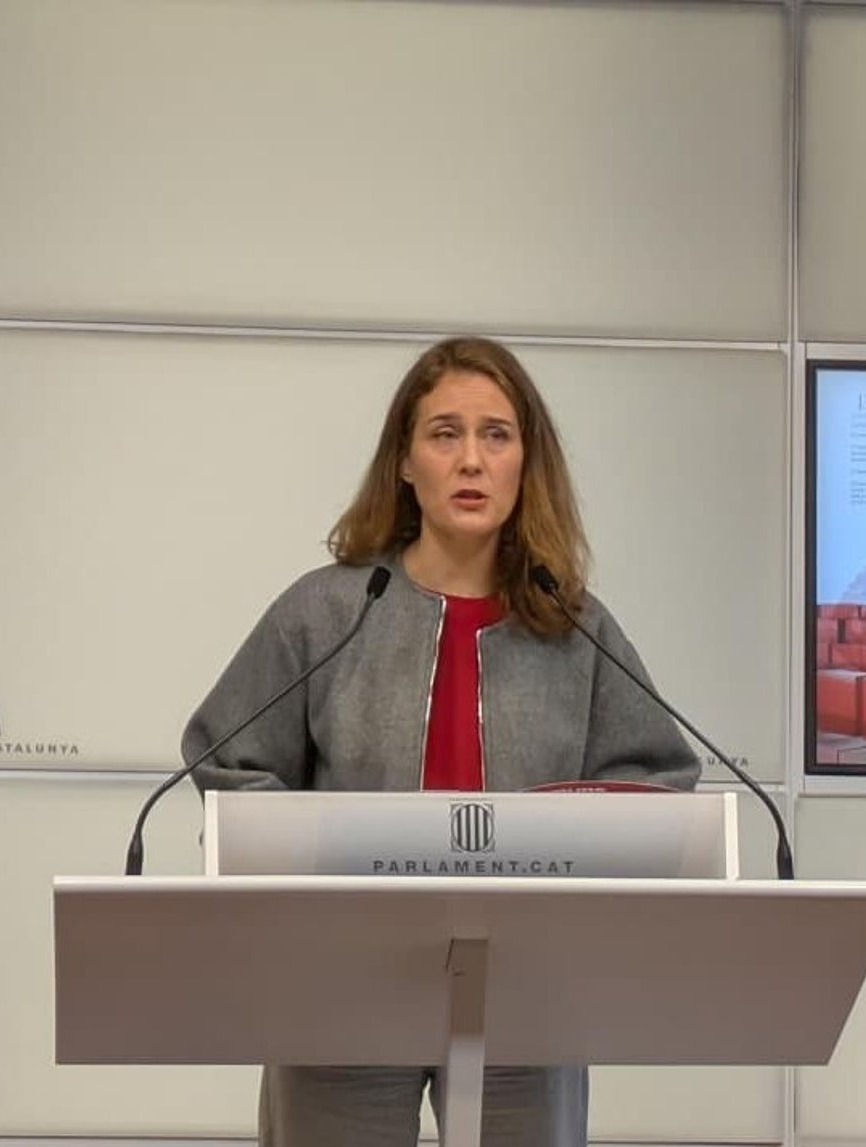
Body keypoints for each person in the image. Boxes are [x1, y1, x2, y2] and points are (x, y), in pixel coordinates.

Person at [181, 334, 700, 1147]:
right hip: (344, 985)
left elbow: (655, 778)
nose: (471, 460)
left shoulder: (574, 624)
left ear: (526, 462)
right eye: (444, 433)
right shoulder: (327, 610)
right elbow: (228, 757)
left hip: (526, 992)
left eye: (496, 435)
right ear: (405, 461)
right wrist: (312, 875)